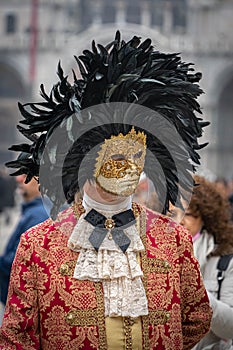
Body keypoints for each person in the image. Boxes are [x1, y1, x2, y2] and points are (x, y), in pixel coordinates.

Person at [0, 31, 212, 349]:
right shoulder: (38, 246)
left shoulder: (173, 239)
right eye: (116, 156)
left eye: (136, 154)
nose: (128, 166)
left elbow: (196, 318)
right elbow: (17, 337)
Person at [169, 175, 233, 350]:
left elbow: (230, 328)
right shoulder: (153, 256)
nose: (180, 220)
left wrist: (197, 292)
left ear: (205, 217)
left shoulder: (225, 260)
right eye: (174, 213)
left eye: (188, 214)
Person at [0, 173, 48, 307]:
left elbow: (19, 262)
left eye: (26, 174)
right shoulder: (34, 211)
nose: (18, 179)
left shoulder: (38, 215)